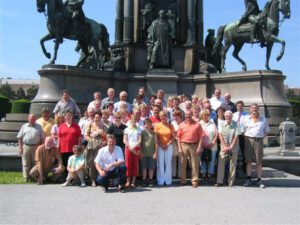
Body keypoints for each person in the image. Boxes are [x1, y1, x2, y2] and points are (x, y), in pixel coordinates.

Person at [242, 103, 270, 188]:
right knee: (249, 161)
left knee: (259, 161)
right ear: (250, 109)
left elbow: (267, 131)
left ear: (258, 109)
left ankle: (259, 180)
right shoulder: (246, 119)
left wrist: (261, 137)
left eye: (256, 108)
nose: (254, 109)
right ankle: (248, 179)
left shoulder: (263, 119)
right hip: (249, 140)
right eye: (252, 108)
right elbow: (242, 131)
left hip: (259, 140)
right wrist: (249, 138)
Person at [177, 110, 203, 187]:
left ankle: (194, 180)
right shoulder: (181, 125)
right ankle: (183, 180)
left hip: (194, 145)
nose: (187, 116)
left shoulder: (197, 124)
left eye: (189, 114)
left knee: (194, 164)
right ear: (185, 115)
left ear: (192, 115)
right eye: (186, 115)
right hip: (184, 145)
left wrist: (199, 147)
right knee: (183, 163)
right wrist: (179, 148)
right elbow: (178, 137)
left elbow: (201, 136)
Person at [215, 111, 240, 187]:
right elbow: (220, 135)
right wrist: (225, 146)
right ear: (224, 117)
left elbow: (236, 136)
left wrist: (231, 146)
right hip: (223, 146)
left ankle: (230, 182)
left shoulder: (236, 124)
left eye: (229, 116)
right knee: (221, 163)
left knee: (233, 164)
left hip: (234, 146)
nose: (228, 117)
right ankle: (220, 181)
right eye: (226, 116)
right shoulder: (221, 123)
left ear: (232, 117)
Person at [17, 114, 45, 181]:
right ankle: (26, 178)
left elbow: (43, 138)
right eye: (31, 118)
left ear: (35, 119)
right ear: (28, 119)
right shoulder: (24, 126)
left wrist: (42, 148)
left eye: (33, 119)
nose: (32, 120)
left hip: (36, 147)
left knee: (34, 163)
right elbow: (19, 138)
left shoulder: (39, 127)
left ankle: (33, 177)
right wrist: (20, 147)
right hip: (26, 147)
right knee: (26, 163)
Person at [85, 112, 107, 187]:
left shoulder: (104, 126)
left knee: (100, 162)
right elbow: (86, 136)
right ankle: (93, 180)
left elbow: (106, 137)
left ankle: (100, 179)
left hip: (101, 146)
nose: (97, 118)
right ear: (94, 117)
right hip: (91, 145)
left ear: (101, 118)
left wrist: (103, 143)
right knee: (92, 163)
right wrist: (91, 141)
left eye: (98, 117)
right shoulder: (90, 125)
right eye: (95, 117)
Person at [154, 111, 175, 186]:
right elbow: (156, 138)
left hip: (169, 146)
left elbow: (173, 137)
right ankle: (161, 180)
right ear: (160, 117)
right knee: (160, 163)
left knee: (168, 163)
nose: (163, 117)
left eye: (165, 116)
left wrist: (168, 144)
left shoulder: (170, 125)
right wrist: (162, 145)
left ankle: (168, 180)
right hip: (160, 146)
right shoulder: (157, 126)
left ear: (167, 117)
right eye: (162, 116)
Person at [123, 115, 142, 188]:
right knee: (128, 165)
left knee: (135, 164)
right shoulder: (126, 129)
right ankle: (128, 181)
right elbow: (124, 140)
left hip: (136, 148)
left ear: (136, 121)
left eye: (134, 120)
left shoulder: (139, 129)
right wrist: (129, 146)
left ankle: (133, 182)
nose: (133, 121)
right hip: (128, 148)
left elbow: (140, 140)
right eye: (132, 119)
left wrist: (133, 147)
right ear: (130, 120)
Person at [199, 109, 218, 181]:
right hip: (202, 146)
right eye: (205, 114)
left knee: (211, 161)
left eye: (208, 115)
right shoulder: (199, 123)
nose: (206, 116)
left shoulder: (212, 123)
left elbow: (216, 134)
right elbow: (197, 135)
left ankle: (210, 174)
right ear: (202, 115)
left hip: (212, 146)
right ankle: (203, 174)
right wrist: (202, 144)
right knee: (202, 160)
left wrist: (212, 143)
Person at [233, 100, 249, 173]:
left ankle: (244, 167)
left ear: (243, 106)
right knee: (235, 151)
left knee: (244, 151)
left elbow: (248, 125)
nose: (239, 107)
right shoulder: (234, 115)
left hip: (243, 135)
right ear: (236, 107)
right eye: (238, 106)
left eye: (241, 106)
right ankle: (234, 167)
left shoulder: (247, 115)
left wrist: (244, 132)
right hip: (235, 135)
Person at [141, 118, 157, 187]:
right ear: (144, 125)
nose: (148, 125)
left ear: (151, 125)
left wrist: (155, 153)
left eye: (149, 124)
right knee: (144, 167)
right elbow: (140, 143)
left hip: (152, 153)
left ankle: (150, 180)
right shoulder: (142, 133)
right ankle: (144, 180)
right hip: (144, 152)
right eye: (146, 124)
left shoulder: (154, 133)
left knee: (151, 168)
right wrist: (140, 152)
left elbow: (156, 143)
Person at [171, 110, 183, 179]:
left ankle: (180, 174)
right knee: (174, 158)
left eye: (176, 116)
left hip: (181, 142)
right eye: (174, 116)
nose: (175, 117)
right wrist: (175, 137)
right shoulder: (172, 123)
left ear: (179, 116)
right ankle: (173, 174)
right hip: (174, 142)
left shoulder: (183, 123)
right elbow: (172, 132)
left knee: (180, 158)